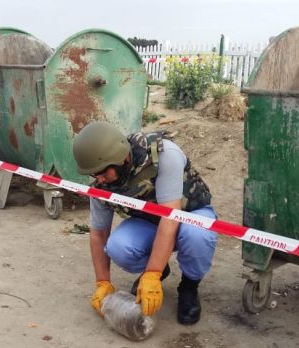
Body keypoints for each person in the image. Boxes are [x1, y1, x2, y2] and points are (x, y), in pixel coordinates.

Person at [72, 121, 217, 325]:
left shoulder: (164, 154)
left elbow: (170, 218)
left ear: (122, 159)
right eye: (94, 174)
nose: (100, 179)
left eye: (104, 172)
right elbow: (98, 234)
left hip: (189, 213)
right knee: (118, 246)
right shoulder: (101, 181)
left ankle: (189, 286)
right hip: (150, 221)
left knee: (197, 235)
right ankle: (161, 268)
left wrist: (151, 274)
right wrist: (102, 282)